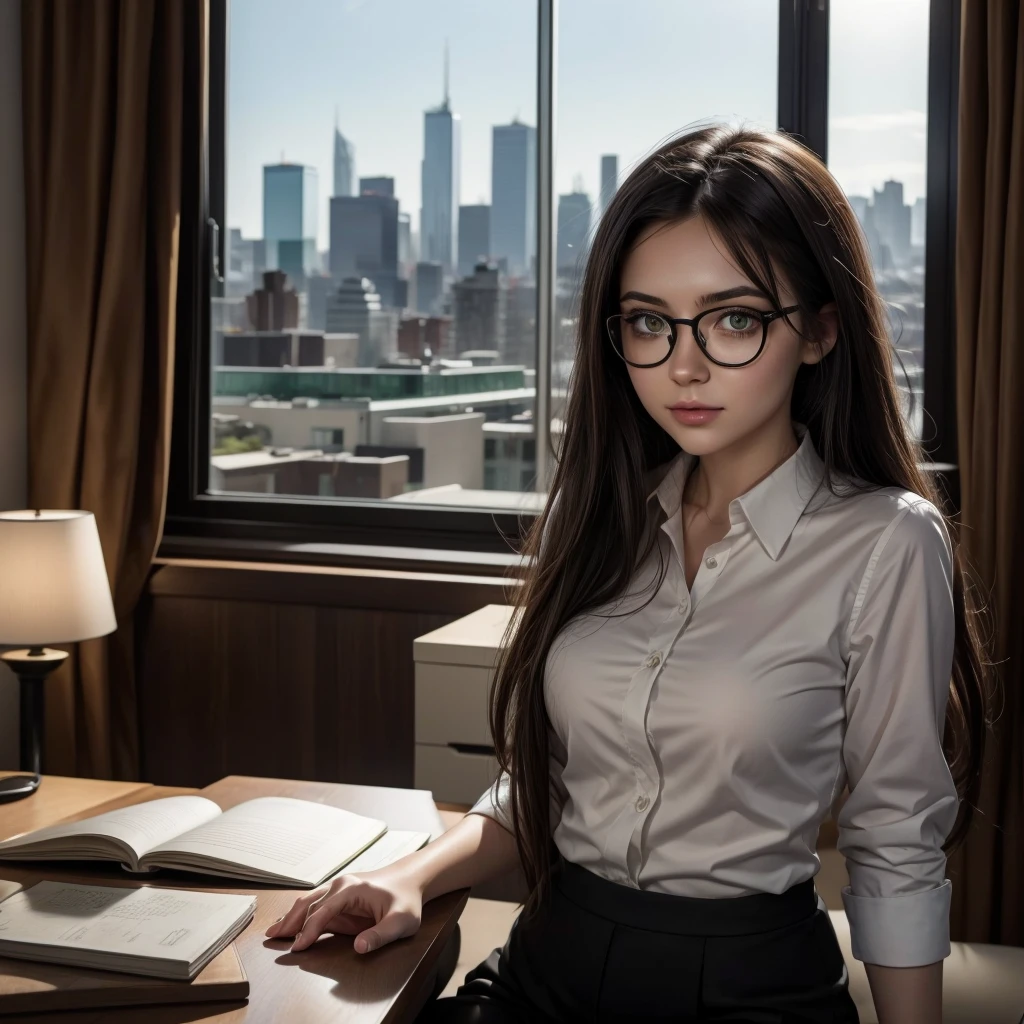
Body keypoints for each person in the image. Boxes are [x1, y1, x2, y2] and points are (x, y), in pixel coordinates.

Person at [264, 125, 994, 1023]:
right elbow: (556, 780)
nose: (683, 364)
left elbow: (896, 838)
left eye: (734, 319)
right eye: (649, 321)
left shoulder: (885, 543)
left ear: (819, 331)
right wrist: (411, 874)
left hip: (752, 990)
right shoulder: (609, 518)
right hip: (546, 969)